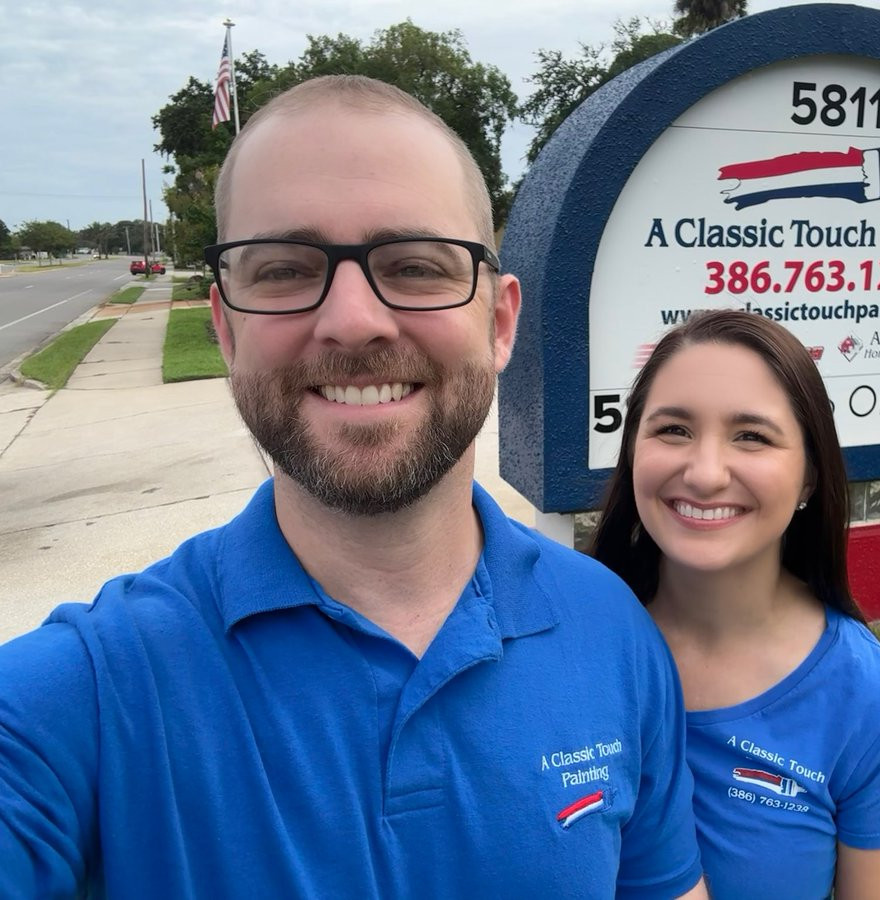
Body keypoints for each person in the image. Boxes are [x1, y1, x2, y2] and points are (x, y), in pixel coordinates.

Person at [0, 76, 706, 899]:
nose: (353, 321)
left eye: (414, 266)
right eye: (283, 269)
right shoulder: (83, 695)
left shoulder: (611, 629)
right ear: (225, 329)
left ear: (500, 322)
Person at [591, 310, 880, 899]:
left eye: (752, 436)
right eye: (673, 429)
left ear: (810, 476)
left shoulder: (879, 712)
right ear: (632, 451)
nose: (705, 473)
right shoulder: (563, 640)